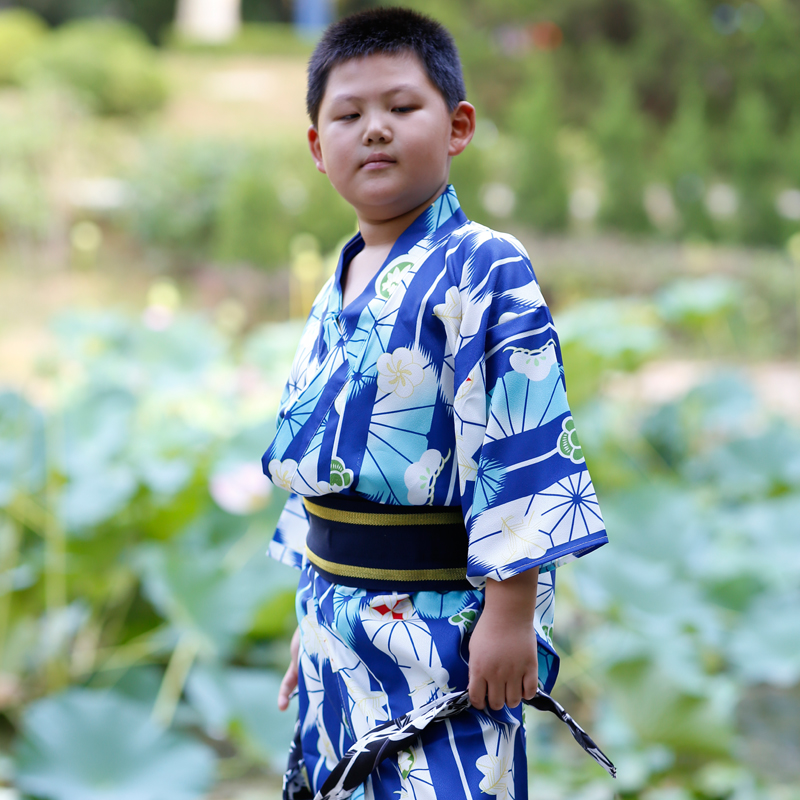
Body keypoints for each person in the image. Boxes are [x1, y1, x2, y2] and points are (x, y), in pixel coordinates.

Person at [261, 8, 609, 799]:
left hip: (444, 625)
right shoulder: (335, 286)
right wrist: (307, 623)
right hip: (333, 620)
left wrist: (512, 612)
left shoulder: (486, 263)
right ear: (319, 148)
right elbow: (319, 460)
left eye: (401, 108)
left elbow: (522, 438)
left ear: (456, 127)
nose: (374, 130)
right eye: (348, 115)